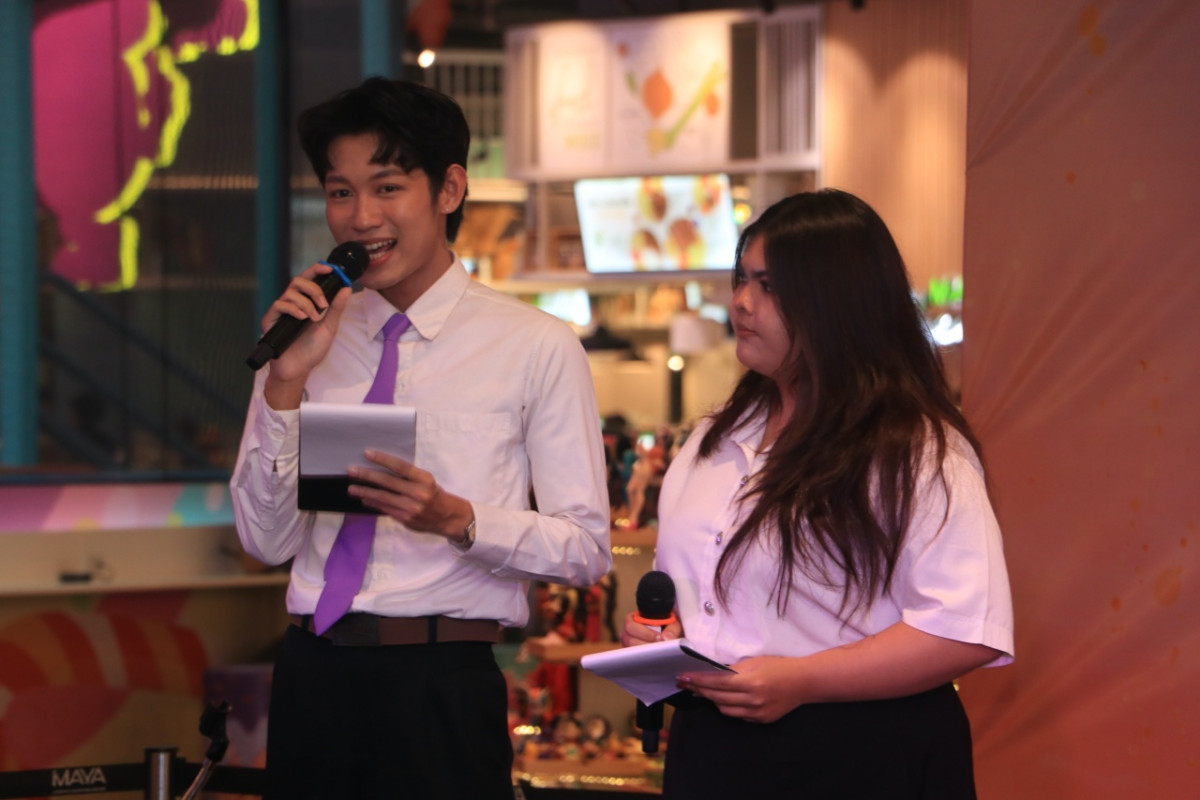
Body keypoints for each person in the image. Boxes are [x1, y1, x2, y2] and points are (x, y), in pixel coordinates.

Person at [231, 77, 611, 800]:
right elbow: (265, 541)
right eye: (340, 192)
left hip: (439, 684)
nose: (361, 217)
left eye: (386, 188)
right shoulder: (311, 337)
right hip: (311, 675)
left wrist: (457, 519)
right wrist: (284, 384)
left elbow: (586, 547)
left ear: (449, 189)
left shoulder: (534, 345)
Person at [621, 189, 1013, 799]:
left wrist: (803, 680)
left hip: (861, 752)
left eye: (770, 285)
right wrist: (663, 639)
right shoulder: (714, 437)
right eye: (743, 278)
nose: (741, 302)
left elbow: (965, 628)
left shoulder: (913, 447)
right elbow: (702, 597)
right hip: (714, 747)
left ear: (838, 302)